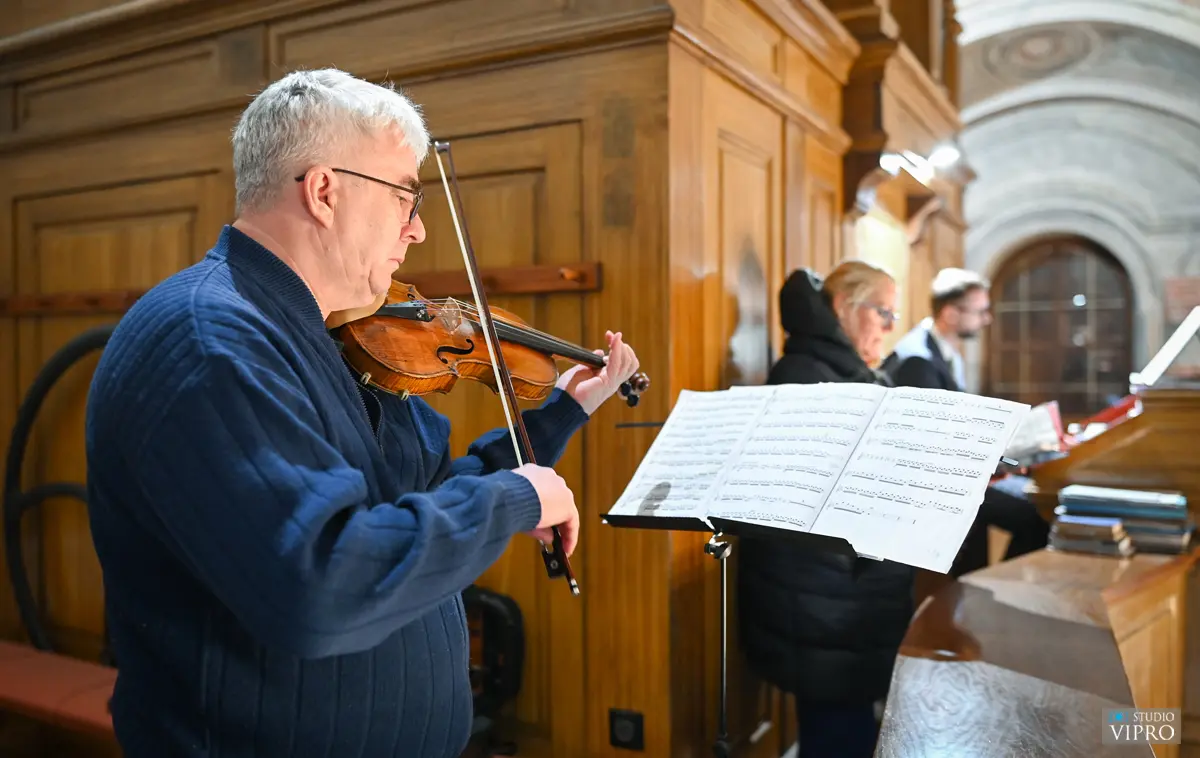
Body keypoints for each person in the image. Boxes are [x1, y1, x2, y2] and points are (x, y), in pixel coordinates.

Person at [83, 68, 640, 758]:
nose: (418, 228)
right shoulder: (210, 340)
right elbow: (322, 585)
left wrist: (559, 416)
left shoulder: (322, 336)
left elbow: (417, 504)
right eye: (404, 196)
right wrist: (513, 501)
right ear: (324, 191)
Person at [737, 261, 910, 758]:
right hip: (823, 600)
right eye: (883, 313)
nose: (888, 328)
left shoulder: (846, 371)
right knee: (838, 735)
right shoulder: (805, 375)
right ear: (842, 306)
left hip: (847, 595)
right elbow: (813, 500)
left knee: (852, 728)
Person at [880, 267, 1048, 576]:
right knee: (1036, 512)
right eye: (980, 311)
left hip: (956, 473)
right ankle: (1000, 587)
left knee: (1038, 498)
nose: (987, 319)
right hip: (930, 486)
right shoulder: (918, 359)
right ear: (950, 313)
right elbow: (931, 442)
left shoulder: (942, 350)